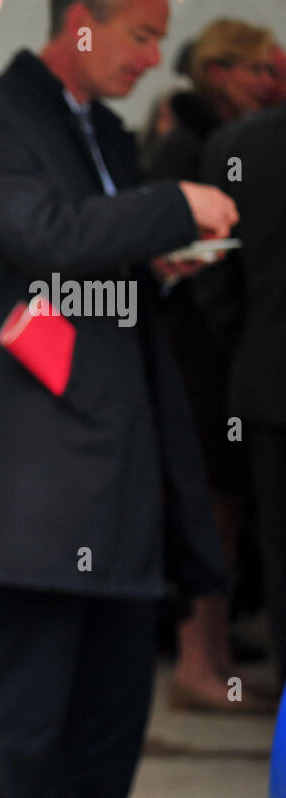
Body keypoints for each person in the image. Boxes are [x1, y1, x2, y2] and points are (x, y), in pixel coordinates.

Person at [0, 0, 238, 798]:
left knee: (115, 709)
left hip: (120, 458)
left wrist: (158, 264)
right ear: (81, 20)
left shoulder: (103, 129)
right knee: (34, 711)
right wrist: (173, 204)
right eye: (141, 35)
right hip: (42, 475)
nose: (154, 58)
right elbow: (49, 235)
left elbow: (94, 260)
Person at [145, 18, 277, 713]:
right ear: (221, 71)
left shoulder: (215, 138)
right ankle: (201, 659)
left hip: (216, 351)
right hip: (197, 355)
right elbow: (177, 259)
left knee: (224, 509)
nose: (270, 82)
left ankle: (217, 652)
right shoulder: (190, 142)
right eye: (259, 69)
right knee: (211, 509)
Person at [193, 103, 286, 691]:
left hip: (270, 384)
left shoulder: (240, 145)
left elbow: (214, 274)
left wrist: (252, 343)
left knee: (281, 554)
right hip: (266, 378)